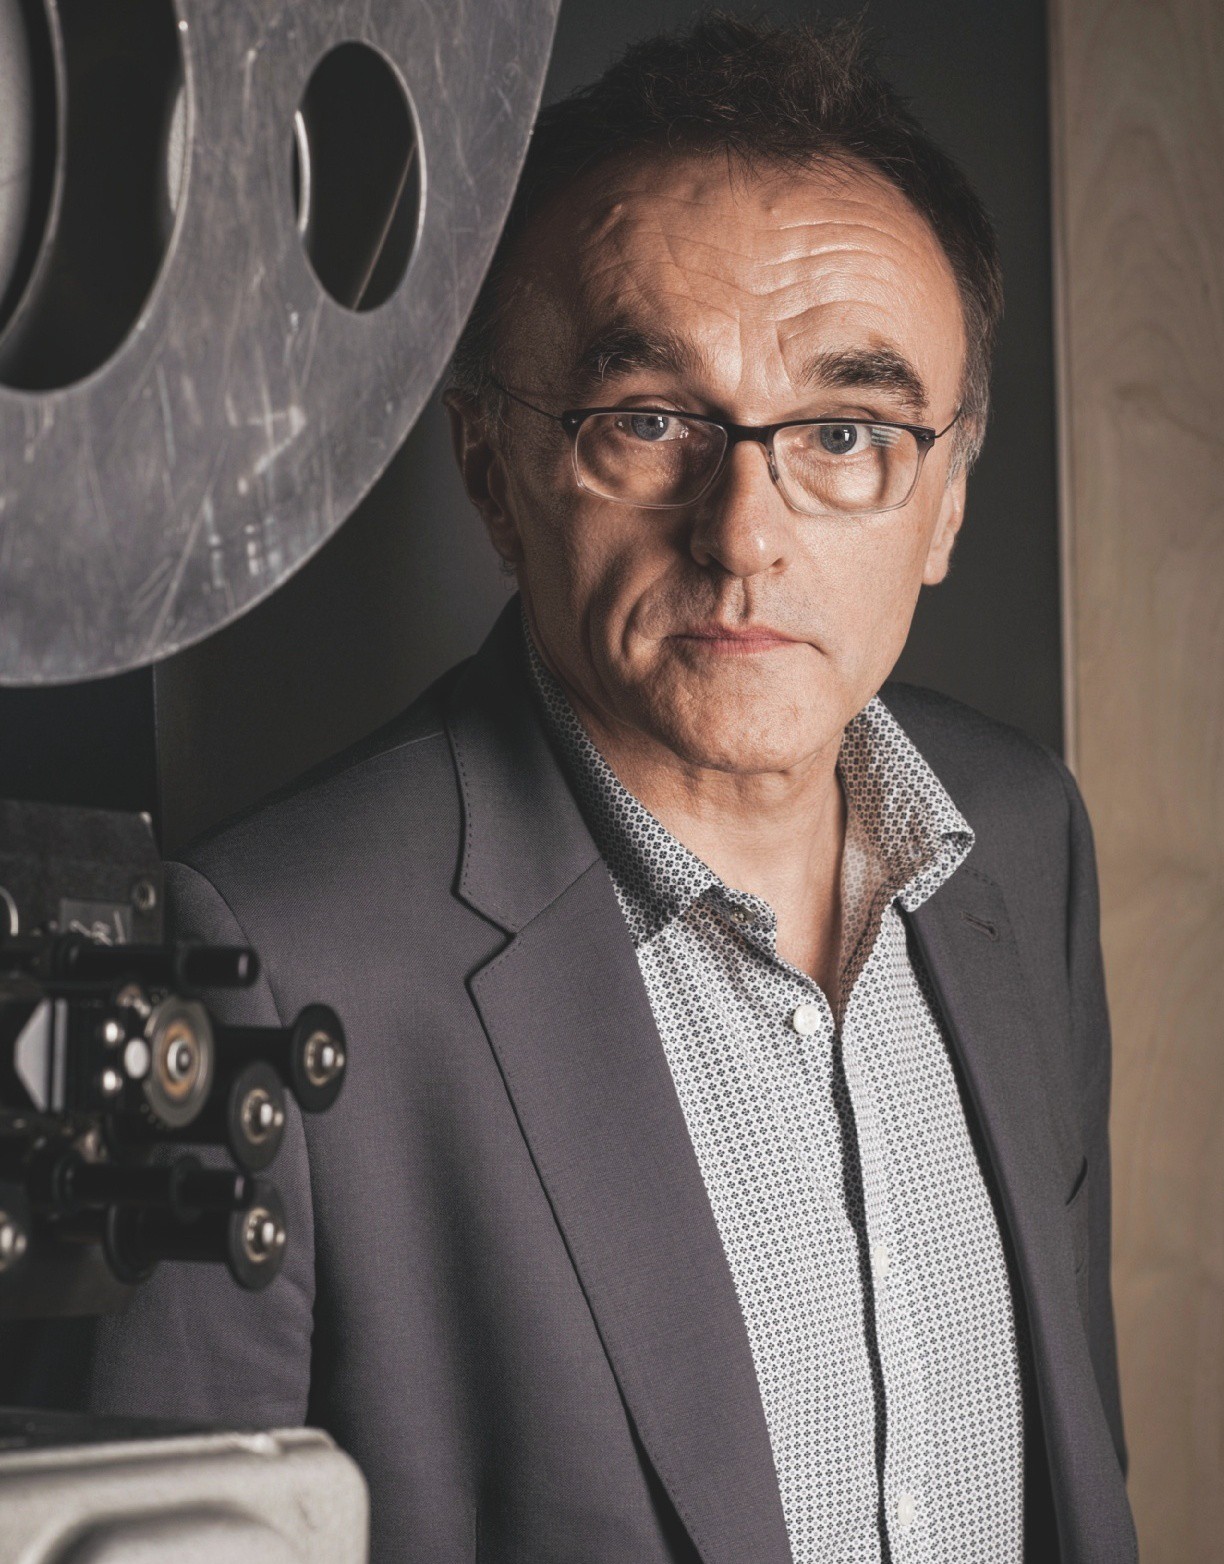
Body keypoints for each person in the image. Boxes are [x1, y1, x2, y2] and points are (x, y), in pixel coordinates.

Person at [51, 17, 1136, 1563]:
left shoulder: (1025, 839)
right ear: (489, 469)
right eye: (650, 422)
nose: (744, 534)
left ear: (946, 496)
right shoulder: (268, 962)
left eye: (844, 432)